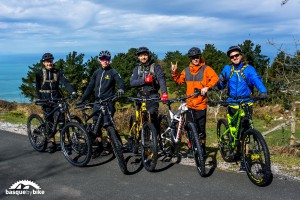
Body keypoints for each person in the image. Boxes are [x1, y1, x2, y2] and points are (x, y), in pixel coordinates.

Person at [217, 45, 267, 172]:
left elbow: (256, 80)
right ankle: (233, 147)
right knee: (235, 132)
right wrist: (221, 81)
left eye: (237, 55)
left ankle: (244, 160)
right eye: (232, 56)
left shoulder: (249, 69)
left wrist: (263, 91)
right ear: (230, 58)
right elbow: (220, 86)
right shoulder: (227, 69)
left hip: (246, 104)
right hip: (232, 104)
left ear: (241, 55)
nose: (235, 58)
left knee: (245, 133)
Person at [171, 47, 219, 158]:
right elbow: (179, 81)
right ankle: (192, 148)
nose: (195, 59)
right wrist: (174, 72)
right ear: (190, 59)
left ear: (200, 57)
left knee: (201, 130)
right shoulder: (187, 70)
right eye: (193, 58)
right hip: (189, 104)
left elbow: (215, 79)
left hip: (200, 104)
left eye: (197, 57)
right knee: (189, 128)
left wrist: (207, 87)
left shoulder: (206, 69)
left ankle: (202, 149)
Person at [77, 50, 125, 156]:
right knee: (96, 125)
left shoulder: (113, 72)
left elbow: (120, 81)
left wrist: (121, 89)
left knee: (108, 125)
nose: (105, 61)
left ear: (109, 60)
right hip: (97, 103)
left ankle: (108, 146)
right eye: (103, 59)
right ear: (100, 60)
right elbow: (90, 86)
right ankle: (98, 145)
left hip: (108, 103)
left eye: (107, 59)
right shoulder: (96, 72)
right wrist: (82, 99)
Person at [36, 52, 77, 153]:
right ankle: (52, 143)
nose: (49, 63)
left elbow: (65, 82)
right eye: (47, 62)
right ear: (43, 63)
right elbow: (37, 87)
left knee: (62, 122)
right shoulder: (39, 73)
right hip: (45, 100)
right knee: (49, 122)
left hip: (57, 99)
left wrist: (72, 91)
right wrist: (39, 99)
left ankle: (64, 143)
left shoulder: (58, 72)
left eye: (51, 61)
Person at [129, 47, 168, 134]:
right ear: (138, 57)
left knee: (153, 118)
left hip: (152, 96)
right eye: (141, 55)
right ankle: (140, 137)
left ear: (148, 55)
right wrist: (144, 80)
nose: (143, 57)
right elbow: (132, 83)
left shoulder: (155, 67)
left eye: (145, 55)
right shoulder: (136, 69)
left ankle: (155, 140)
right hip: (140, 96)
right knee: (140, 119)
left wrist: (164, 93)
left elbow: (161, 79)